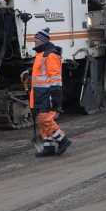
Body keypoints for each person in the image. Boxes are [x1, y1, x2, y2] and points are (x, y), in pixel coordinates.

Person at [22, 28, 72, 157]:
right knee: (41, 121)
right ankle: (48, 147)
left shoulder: (50, 56)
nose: (34, 42)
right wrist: (29, 71)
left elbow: (55, 77)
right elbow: (41, 71)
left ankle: (63, 140)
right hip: (40, 93)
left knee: (45, 120)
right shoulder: (41, 54)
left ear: (43, 41)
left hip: (48, 94)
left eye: (36, 40)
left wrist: (53, 96)